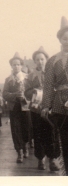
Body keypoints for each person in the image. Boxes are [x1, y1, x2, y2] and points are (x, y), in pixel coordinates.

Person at [25, 46, 60, 171]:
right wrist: (35, 92)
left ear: (46, 59)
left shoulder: (54, 73)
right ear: (34, 61)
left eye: (42, 59)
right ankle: (41, 159)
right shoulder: (30, 76)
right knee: (38, 133)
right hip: (36, 109)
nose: (40, 62)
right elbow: (26, 92)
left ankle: (53, 160)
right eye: (37, 60)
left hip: (51, 108)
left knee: (52, 133)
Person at [42, 16, 68, 175]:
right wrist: (46, 105)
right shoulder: (52, 61)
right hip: (60, 105)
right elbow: (48, 85)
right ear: (60, 40)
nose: (67, 42)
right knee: (64, 141)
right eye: (65, 39)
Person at [3, 52, 30, 163]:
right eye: (14, 64)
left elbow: (31, 92)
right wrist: (15, 95)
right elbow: (4, 94)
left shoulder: (27, 78)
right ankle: (19, 152)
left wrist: (25, 96)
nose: (16, 66)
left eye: (18, 64)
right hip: (14, 107)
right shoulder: (8, 79)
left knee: (27, 128)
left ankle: (25, 147)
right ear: (11, 66)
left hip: (25, 106)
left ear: (21, 65)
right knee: (16, 129)